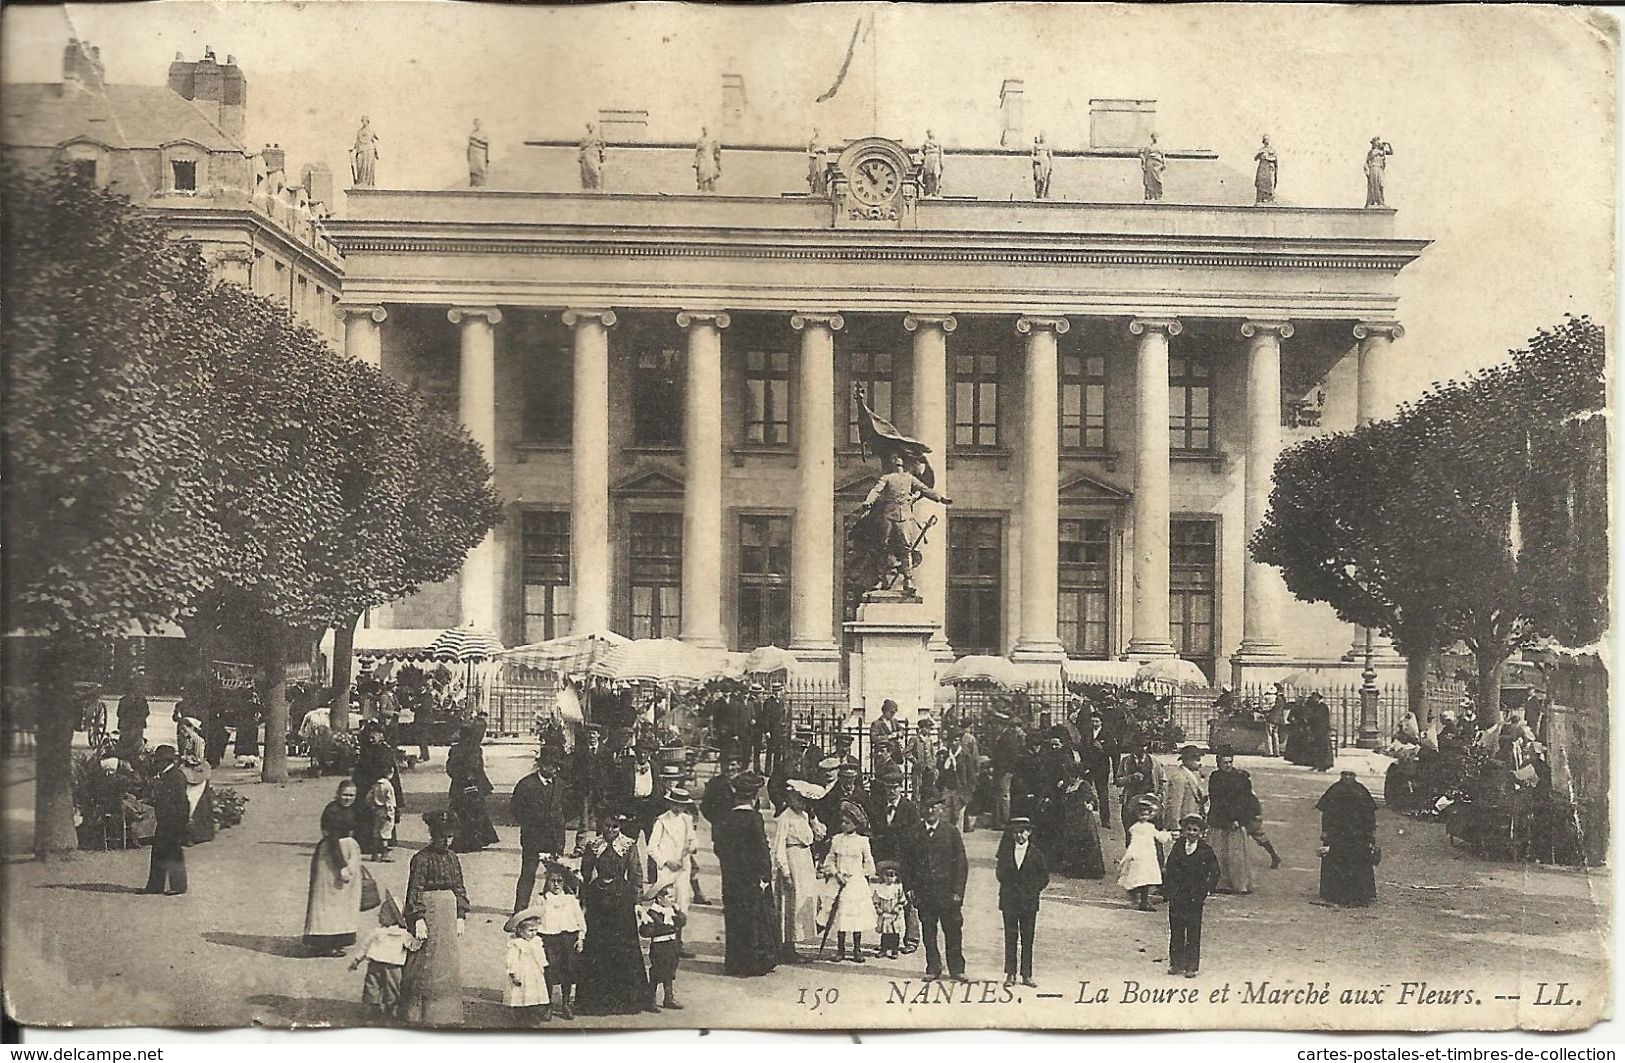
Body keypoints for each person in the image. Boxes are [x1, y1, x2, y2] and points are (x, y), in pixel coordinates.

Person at [400, 811, 469, 1026]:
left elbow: (459, 886)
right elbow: (415, 890)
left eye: (450, 836)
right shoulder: (421, 859)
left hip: (448, 913)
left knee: (446, 961)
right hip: (429, 912)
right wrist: (418, 918)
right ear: (432, 834)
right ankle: (419, 1013)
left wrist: (460, 914)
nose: (447, 841)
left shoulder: (452, 858)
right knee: (424, 960)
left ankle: (445, 1013)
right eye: (442, 836)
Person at [577, 814, 650, 1014]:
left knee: (623, 947)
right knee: (597, 946)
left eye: (615, 827)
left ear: (620, 827)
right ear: (602, 825)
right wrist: (583, 902)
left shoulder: (629, 845)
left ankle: (626, 1000)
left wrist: (637, 903)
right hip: (598, 899)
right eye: (607, 826)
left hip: (621, 900)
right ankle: (594, 1002)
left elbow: (636, 875)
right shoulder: (593, 845)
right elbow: (585, 874)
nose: (611, 831)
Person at [712, 772, 780, 976]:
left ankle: (735, 963)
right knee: (754, 918)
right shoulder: (754, 819)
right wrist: (766, 875)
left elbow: (718, 848)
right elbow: (761, 849)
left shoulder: (725, 819)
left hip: (731, 877)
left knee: (734, 917)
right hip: (751, 879)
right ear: (754, 797)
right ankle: (754, 963)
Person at [860, 453, 953, 594]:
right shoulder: (887, 478)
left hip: (905, 516)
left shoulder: (910, 478)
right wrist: (869, 501)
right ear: (892, 464)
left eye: (899, 462)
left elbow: (925, 489)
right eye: (895, 461)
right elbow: (876, 490)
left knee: (906, 548)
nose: (897, 464)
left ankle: (908, 580)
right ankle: (881, 579)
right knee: (883, 547)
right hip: (888, 514)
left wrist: (940, 498)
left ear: (903, 464)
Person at [905, 793, 969, 982]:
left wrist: (958, 891)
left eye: (935, 806)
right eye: (927, 806)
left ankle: (957, 969)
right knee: (929, 932)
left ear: (941, 809)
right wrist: (909, 888)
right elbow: (907, 863)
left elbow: (961, 864)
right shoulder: (914, 832)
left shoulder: (950, 832)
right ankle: (933, 967)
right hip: (925, 893)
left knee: (953, 931)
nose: (930, 810)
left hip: (948, 894)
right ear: (922, 809)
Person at [865, 762, 922, 954]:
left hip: (905, 860)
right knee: (887, 899)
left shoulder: (910, 809)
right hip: (886, 861)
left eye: (895, 788)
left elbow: (915, 837)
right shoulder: (879, 807)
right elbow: (875, 833)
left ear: (901, 787)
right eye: (888, 788)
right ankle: (887, 941)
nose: (891, 792)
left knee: (907, 898)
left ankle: (912, 939)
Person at [1207, 749, 1281, 893]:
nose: (1227, 765)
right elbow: (1215, 799)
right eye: (1224, 763)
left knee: (1236, 855)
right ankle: (1219, 883)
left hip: (1235, 821)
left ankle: (1239, 884)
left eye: (1230, 762)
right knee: (1218, 853)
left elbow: (1243, 802)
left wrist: (1237, 819)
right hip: (1218, 820)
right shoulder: (1215, 777)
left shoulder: (1239, 778)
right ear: (1218, 763)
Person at [303, 781, 363, 956]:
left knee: (345, 899)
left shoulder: (352, 810)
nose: (347, 798)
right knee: (329, 898)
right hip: (332, 854)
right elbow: (331, 839)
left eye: (351, 795)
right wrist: (342, 865)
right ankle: (326, 941)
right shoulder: (332, 811)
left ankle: (339, 938)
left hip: (349, 851)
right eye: (344, 794)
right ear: (337, 793)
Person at [996, 815, 1050, 988]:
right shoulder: (1005, 853)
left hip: (1028, 902)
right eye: (1015, 832)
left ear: (1029, 833)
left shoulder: (1036, 853)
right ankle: (1010, 973)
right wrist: (1010, 886)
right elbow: (1000, 873)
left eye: (1022, 832)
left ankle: (1026, 974)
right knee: (1010, 936)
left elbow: (1044, 877)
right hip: (1009, 901)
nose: (1019, 836)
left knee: (1027, 938)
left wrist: (1031, 891)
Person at [773, 780, 824, 963]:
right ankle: (787, 947)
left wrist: (813, 818)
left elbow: (816, 836)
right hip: (793, 859)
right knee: (791, 904)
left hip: (804, 860)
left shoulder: (803, 815)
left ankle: (794, 942)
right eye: (800, 799)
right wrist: (785, 871)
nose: (804, 803)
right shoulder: (785, 817)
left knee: (806, 900)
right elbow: (778, 846)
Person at [1164, 813, 1220, 977]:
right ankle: (1176, 963)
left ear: (1201, 833)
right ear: (1183, 831)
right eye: (1188, 829)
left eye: (1195, 830)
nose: (1191, 833)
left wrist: (1208, 889)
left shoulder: (1205, 850)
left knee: (1193, 930)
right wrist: (1169, 888)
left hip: (1195, 896)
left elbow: (1215, 871)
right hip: (1177, 894)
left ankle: (1191, 966)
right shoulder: (1178, 846)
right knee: (1176, 929)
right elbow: (1170, 867)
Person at [350, 891, 419, 1024]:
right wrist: (357, 959)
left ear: (393, 917)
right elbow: (365, 947)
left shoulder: (403, 934)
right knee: (372, 986)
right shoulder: (378, 932)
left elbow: (412, 945)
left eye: (383, 913)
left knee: (392, 988)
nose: (379, 915)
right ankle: (373, 1009)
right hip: (375, 964)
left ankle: (390, 1009)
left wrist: (419, 941)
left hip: (393, 967)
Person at [511, 751, 568, 911]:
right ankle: (520, 909)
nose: (556, 770)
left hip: (555, 838)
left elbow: (567, 807)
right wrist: (530, 825)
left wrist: (560, 822)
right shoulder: (526, 785)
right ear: (543, 766)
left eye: (558, 766)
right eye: (553, 766)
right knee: (528, 873)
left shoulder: (560, 784)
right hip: (533, 839)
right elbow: (516, 809)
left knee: (555, 874)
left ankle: (549, 905)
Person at [643, 787, 699, 941]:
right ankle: (664, 939)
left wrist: (692, 847)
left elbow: (692, 839)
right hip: (667, 869)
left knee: (682, 902)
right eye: (675, 804)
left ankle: (678, 942)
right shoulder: (661, 821)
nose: (678, 808)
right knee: (667, 903)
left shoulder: (686, 820)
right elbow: (651, 847)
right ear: (670, 803)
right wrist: (667, 861)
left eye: (682, 806)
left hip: (682, 868)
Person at [1317, 769, 1378, 907]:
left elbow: (1370, 814)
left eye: (1351, 775)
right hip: (1338, 833)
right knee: (1337, 861)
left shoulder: (1362, 791)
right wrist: (1325, 830)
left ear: (1355, 776)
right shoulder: (1334, 790)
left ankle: (1360, 894)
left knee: (1358, 862)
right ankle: (1334, 893)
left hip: (1358, 835)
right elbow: (1326, 813)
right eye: (1345, 775)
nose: (1348, 777)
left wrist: (1371, 832)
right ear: (1341, 776)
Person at [823, 810, 877, 963]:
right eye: (842, 822)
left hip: (855, 882)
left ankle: (856, 950)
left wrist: (860, 876)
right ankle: (840, 950)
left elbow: (869, 862)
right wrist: (836, 873)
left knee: (855, 916)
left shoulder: (862, 841)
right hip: (839, 881)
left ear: (856, 824)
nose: (843, 825)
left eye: (847, 822)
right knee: (840, 915)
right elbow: (829, 860)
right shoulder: (836, 839)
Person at [535, 864, 585, 1020]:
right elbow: (534, 920)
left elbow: (580, 921)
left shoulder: (570, 900)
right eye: (552, 881)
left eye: (559, 881)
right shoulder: (541, 900)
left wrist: (580, 938)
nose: (556, 885)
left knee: (568, 971)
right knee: (550, 971)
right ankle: (548, 1004)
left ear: (564, 883)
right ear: (547, 882)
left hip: (568, 939)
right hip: (549, 938)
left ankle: (565, 1004)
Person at [143, 745, 190, 896]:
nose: (156, 765)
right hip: (165, 819)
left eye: (157, 762)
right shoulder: (168, 775)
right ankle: (155, 886)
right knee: (159, 852)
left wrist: (181, 822)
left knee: (173, 853)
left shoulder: (175, 777)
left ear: (164, 762)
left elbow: (182, 802)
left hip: (173, 820)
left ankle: (178, 886)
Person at [446, 721, 498, 852]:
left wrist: (459, 778)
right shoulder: (475, 749)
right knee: (474, 813)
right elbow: (477, 767)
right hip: (472, 785)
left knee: (463, 813)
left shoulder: (456, 749)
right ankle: (476, 840)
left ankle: (467, 840)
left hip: (461, 785)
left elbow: (450, 768)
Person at [1118, 795, 1172, 911]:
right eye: (1141, 814)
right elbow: (1134, 842)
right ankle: (1142, 899)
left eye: (1146, 814)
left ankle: (1144, 899)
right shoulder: (1136, 828)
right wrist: (1130, 854)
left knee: (1146, 877)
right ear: (1137, 815)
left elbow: (1159, 837)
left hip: (1149, 855)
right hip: (1140, 855)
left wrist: (1168, 835)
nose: (1144, 816)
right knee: (1142, 876)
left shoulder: (1150, 827)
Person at [637, 883, 686, 1010]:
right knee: (657, 972)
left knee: (670, 971)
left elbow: (681, 923)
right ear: (660, 898)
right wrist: (670, 927)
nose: (672, 900)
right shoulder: (653, 913)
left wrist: (678, 912)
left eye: (673, 897)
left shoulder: (671, 911)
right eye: (669, 897)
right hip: (660, 946)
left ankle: (669, 997)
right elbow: (650, 930)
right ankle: (650, 1000)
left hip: (671, 945)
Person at [501, 908, 552, 1025]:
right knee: (521, 994)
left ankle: (532, 1013)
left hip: (535, 972)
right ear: (520, 931)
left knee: (534, 994)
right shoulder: (516, 944)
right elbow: (511, 959)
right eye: (530, 930)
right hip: (522, 973)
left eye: (535, 930)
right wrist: (513, 973)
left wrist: (543, 967)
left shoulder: (536, 941)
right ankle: (520, 1015)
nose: (533, 933)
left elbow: (540, 956)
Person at [1117, 732, 1166, 844]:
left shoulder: (1154, 761)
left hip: (1150, 800)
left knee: (1154, 835)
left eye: (1144, 746)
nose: (1142, 749)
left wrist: (1159, 796)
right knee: (1131, 834)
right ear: (1133, 747)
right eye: (1138, 746)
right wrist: (1131, 778)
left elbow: (1162, 780)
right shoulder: (1125, 761)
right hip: (1131, 801)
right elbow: (1118, 780)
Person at [938, 729, 976, 834]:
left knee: (958, 815)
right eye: (951, 741)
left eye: (956, 740)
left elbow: (971, 774)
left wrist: (968, 790)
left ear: (959, 741)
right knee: (945, 814)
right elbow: (941, 772)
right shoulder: (945, 755)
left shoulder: (965, 756)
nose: (953, 743)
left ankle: (957, 839)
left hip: (960, 790)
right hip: (947, 788)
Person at [1160, 745, 1207, 830]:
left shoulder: (1193, 775)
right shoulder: (1179, 778)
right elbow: (1175, 804)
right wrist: (1175, 827)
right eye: (1197, 760)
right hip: (1184, 823)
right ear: (1187, 760)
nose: (1200, 763)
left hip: (1193, 822)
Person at [991, 713, 1026, 829]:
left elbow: (1010, 756)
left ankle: (1002, 821)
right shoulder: (1007, 736)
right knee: (1001, 796)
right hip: (1003, 770)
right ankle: (1001, 820)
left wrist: (1006, 769)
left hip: (1004, 771)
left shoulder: (1007, 737)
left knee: (1003, 796)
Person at [872, 862, 906, 959]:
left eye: (892, 876)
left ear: (896, 877)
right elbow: (876, 899)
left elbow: (902, 900)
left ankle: (894, 950)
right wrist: (878, 908)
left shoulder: (898, 887)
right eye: (886, 876)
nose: (889, 878)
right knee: (885, 932)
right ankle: (883, 950)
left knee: (895, 933)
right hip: (884, 913)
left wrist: (897, 908)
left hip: (895, 914)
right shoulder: (880, 888)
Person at [117, 676, 150, 759]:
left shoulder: (123, 700)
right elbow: (147, 712)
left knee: (125, 746)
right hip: (138, 726)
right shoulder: (142, 699)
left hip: (126, 726)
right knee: (136, 746)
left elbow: (119, 713)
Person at [1305, 692, 1335, 771]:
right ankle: (1316, 764)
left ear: (1319, 699)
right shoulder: (1313, 707)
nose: (1313, 699)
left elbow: (1320, 718)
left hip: (1322, 730)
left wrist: (1311, 717)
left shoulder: (1323, 707)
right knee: (1315, 747)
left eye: (1315, 698)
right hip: (1315, 729)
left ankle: (1324, 765)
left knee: (1323, 748)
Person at [1364, 136, 1393, 207]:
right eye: (1375, 141)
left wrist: (1388, 144)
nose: (1377, 143)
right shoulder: (1371, 152)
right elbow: (1367, 162)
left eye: (1377, 141)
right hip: (1373, 168)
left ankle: (1380, 201)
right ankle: (1373, 201)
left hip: (1380, 169)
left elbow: (1390, 152)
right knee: (1374, 185)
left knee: (1381, 185)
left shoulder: (1382, 151)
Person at [352, 116, 379, 187]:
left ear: (367, 121)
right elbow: (357, 141)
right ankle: (360, 181)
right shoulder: (359, 131)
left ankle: (366, 183)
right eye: (362, 120)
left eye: (364, 120)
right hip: (361, 150)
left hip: (369, 149)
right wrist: (353, 148)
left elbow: (376, 139)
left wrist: (376, 150)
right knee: (359, 165)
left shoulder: (371, 130)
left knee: (367, 167)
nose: (363, 122)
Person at [693, 125, 722, 192]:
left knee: (710, 175)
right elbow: (697, 150)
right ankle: (703, 190)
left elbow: (717, 149)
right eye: (703, 129)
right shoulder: (700, 140)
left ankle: (711, 191)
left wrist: (717, 159)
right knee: (701, 173)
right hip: (702, 158)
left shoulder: (712, 140)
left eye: (706, 129)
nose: (705, 131)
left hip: (709, 159)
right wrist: (695, 160)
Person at [578, 123, 605, 191]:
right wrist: (580, 156)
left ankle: (596, 185)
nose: (590, 128)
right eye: (589, 127)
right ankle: (588, 186)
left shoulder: (597, 137)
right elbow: (582, 147)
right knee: (586, 170)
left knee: (595, 169)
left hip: (594, 154)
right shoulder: (584, 138)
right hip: (587, 154)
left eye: (591, 127)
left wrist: (602, 154)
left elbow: (602, 147)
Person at [1140, 131, 1166, 201]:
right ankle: (1150, 196)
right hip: (1150, 163)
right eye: (1153, 136)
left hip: (1158, 164)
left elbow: (1162, 155)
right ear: (1151, 138)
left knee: (1158, 180)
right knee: (1150, 180)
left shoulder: (1160, 146)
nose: (1155, 138)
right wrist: (1143, 164)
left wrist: (1164, 163)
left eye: (1156, 136)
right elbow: (1145, 156)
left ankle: (1159, 195)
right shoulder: (1149, 147)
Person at [1254, 134, 1277, 205]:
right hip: (1262, 168)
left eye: (1267, 140)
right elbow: (1255, 158)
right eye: (1265, 140)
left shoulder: (1272, 150)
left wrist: (1267, 157)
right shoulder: (1261, 150)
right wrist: (1259, 155)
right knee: (1261, 183)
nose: (1266, 141)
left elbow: (1275, 158)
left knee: (1269, 182)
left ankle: (1270, 198)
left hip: (1269, 169)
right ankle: (1261, 198)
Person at [467, 119, 490, 188]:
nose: (477, 125)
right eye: (475, 124)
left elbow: (486, 142)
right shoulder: (472, 133)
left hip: (481, 152)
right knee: (474, 168)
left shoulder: (484, 133)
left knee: (481, 167)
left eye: (478, 124)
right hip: (473, 152)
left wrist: (478, 140)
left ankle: (482, 184)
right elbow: (470, 143)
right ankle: (474, 183)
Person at [921, 130, 944, 196]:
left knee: (936, 174)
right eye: (928, 132)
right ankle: (928, 192)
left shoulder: (938, 143)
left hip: (936, 158)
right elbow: (921, 151)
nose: (930, 134)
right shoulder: (925, 142)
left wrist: (942, 162)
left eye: (931, 132)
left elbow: (941, 153)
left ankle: (935, 192)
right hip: (928, 157)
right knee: (928, 175)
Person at [1031, 132, 1053, 199]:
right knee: (1038, 179)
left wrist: (1051, 165)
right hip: (1038, 162)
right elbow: (1032, 155)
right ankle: (1037, 194)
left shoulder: (1048, 146)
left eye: (1043, 136)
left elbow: (1050, 156)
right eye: (1041, 136)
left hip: (1045, 162)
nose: (1042, 138)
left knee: (1044, 179)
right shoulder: (1036, 146)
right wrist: (1035, 159)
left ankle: (1043, 194)